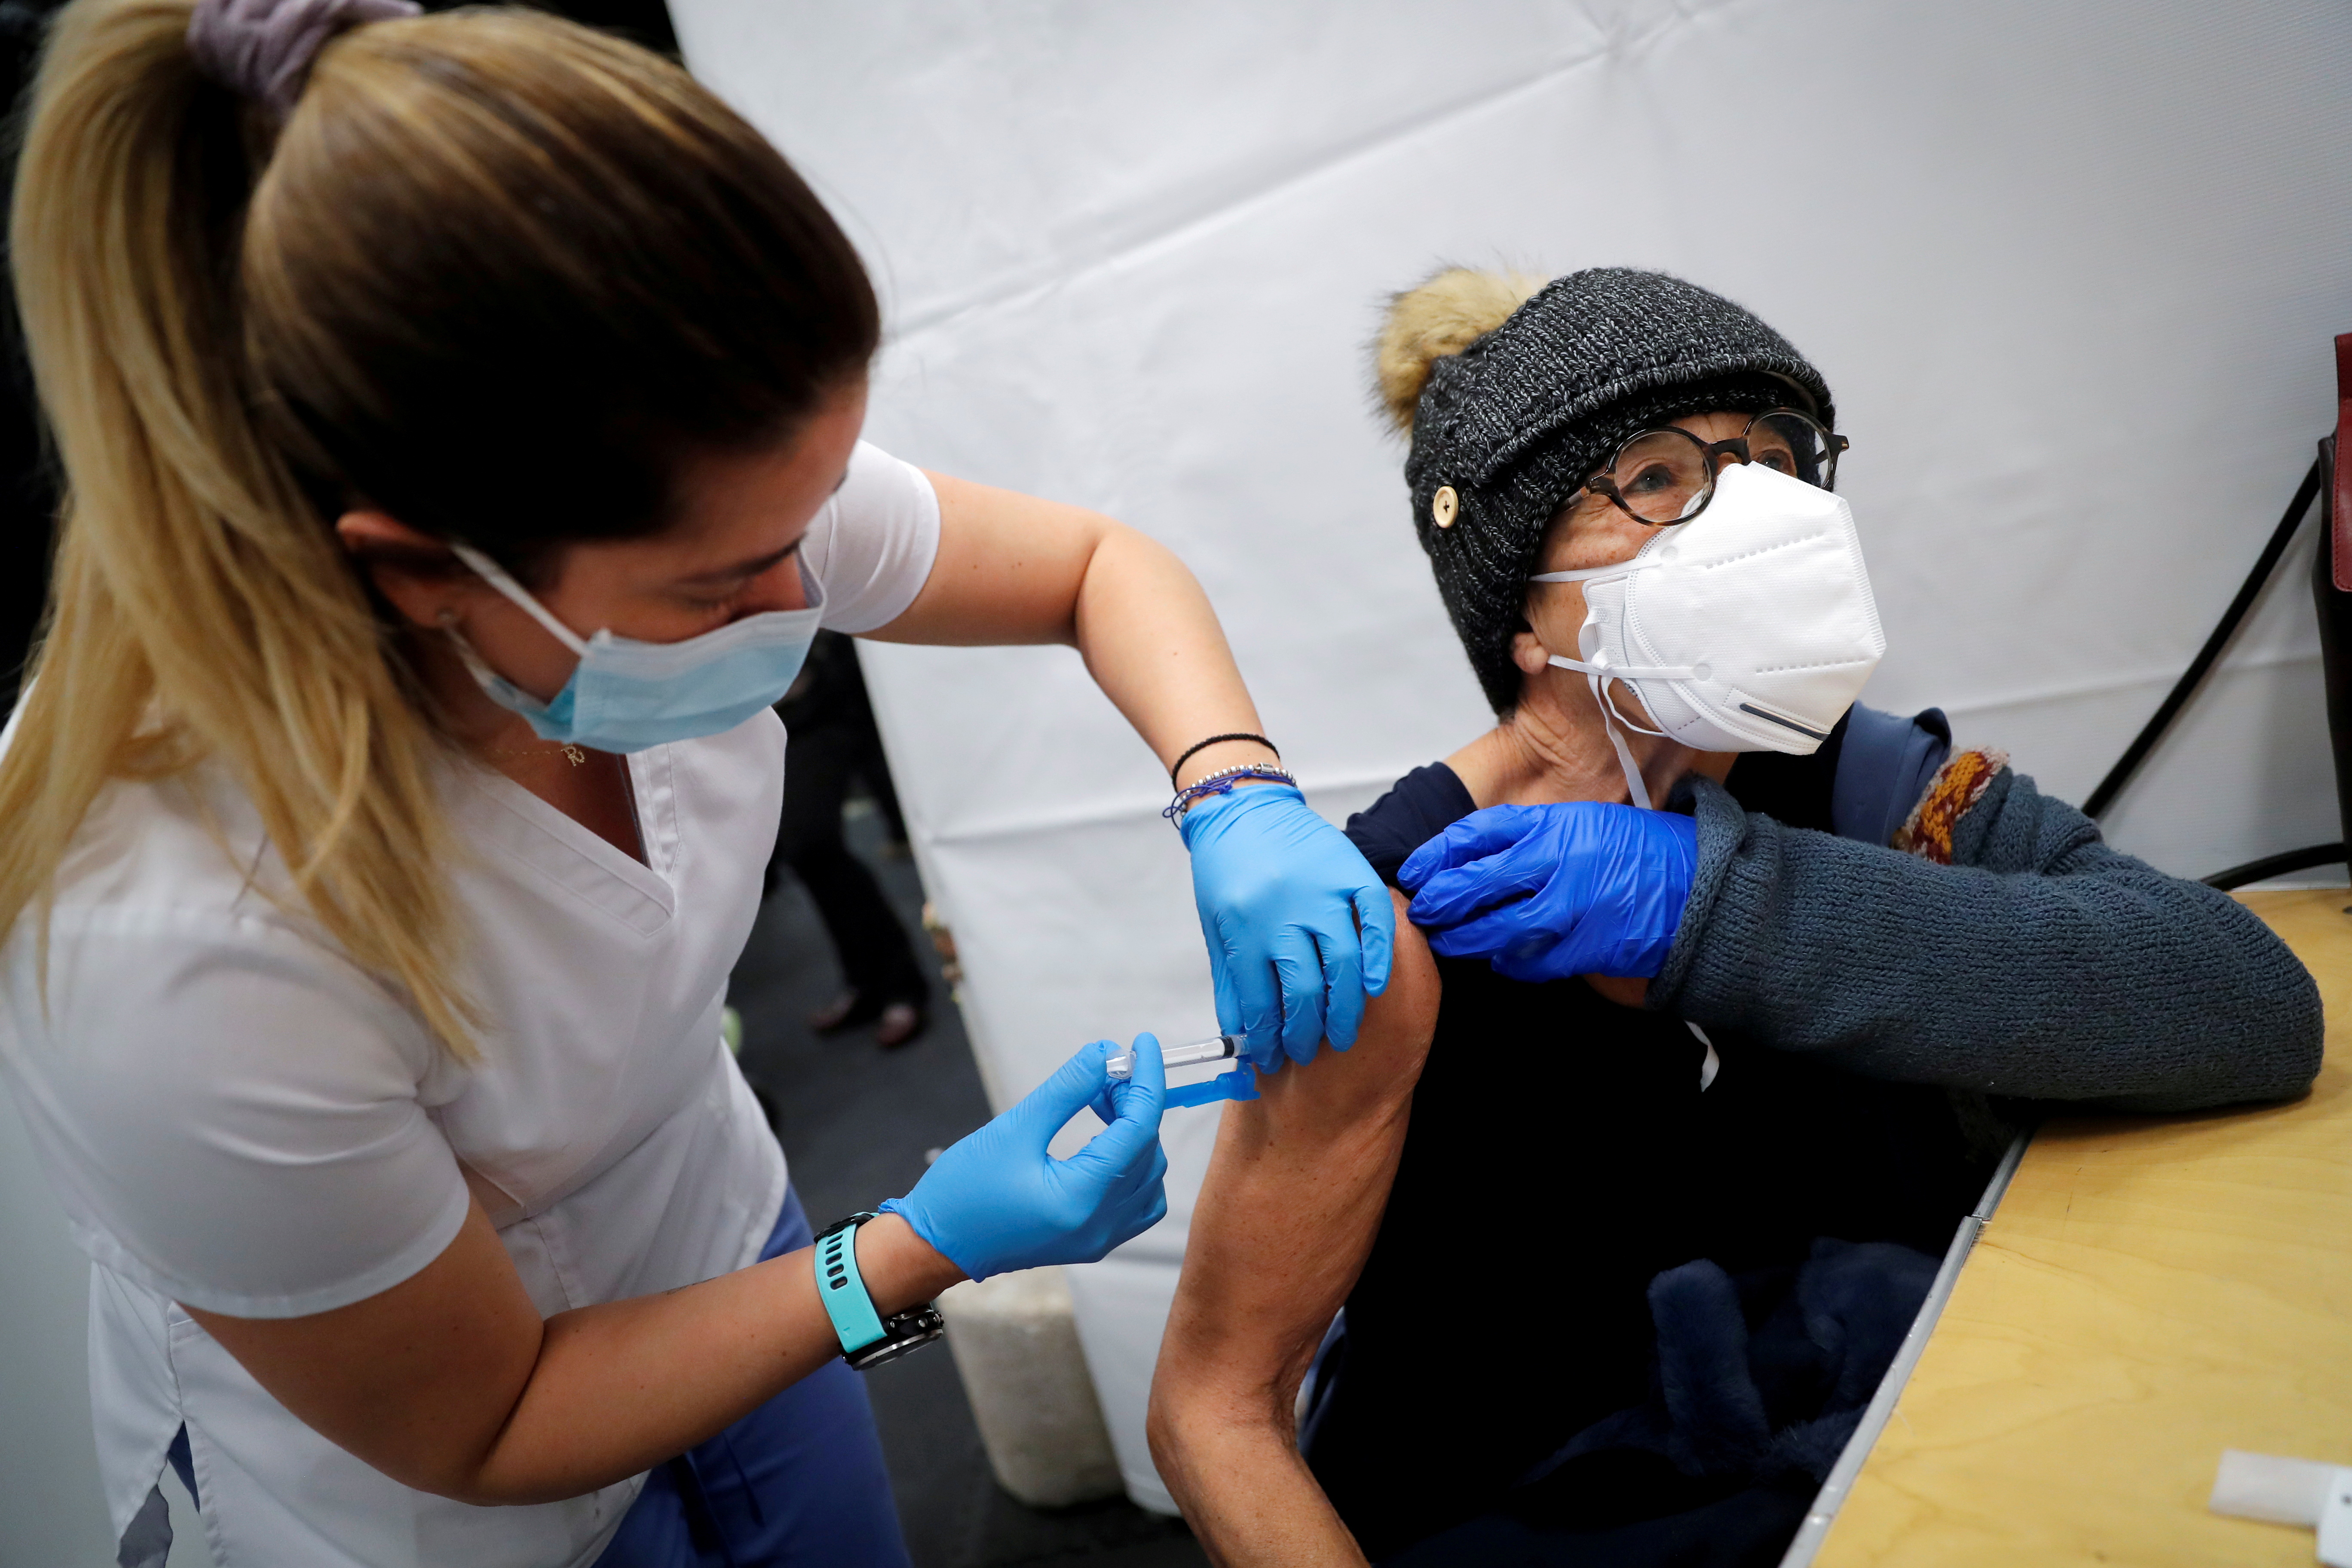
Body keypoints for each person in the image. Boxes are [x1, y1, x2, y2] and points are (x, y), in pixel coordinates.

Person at [0, 3, 1393, 1565]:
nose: (805, 596)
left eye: (815, 513)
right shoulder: (163, 939)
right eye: (722, 583)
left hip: (712, 1225)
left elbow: (1094, 567)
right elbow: (485, 1422)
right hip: (430, 1500)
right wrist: (915, 1251)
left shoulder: (694, 495)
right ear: (415, 571)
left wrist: (1235, 792)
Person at [1147, 267, 2324, 1566]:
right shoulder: (1390, 913)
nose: (1754, 514)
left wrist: (1725, 909)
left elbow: (2246, 1005)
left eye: (1775, 459)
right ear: (1523, 610)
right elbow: (1213, 1412)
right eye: (1656, 476)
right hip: (1517, 1510)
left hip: (1883, 1462)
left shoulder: (1871, 787)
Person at [767, 630, 929, 1048]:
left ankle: (899, 986)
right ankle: (867, 982)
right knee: (808, 857)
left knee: (813, 844)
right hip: (761, 718)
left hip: (813, 701)